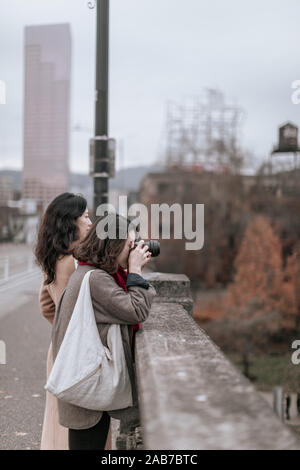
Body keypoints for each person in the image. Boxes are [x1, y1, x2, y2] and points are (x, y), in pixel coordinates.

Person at [51, 214, 156, 450]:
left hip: (86, 383)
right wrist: (136, 270)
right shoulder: (97, 279)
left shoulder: (89, 272)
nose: (132, 251)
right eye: (129, 245)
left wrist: (132, 272)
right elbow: (136, 310)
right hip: (87, 388)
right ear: (113, 245)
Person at [35, 192, 93, 450]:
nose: (90, 223)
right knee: (83, 423)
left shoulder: (54, 258)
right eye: (86, 217)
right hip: (80, 351)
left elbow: (46, 306)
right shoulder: (77, 263)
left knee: (57, 419)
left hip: (59, 349)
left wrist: (62, 328)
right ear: (70, 222)